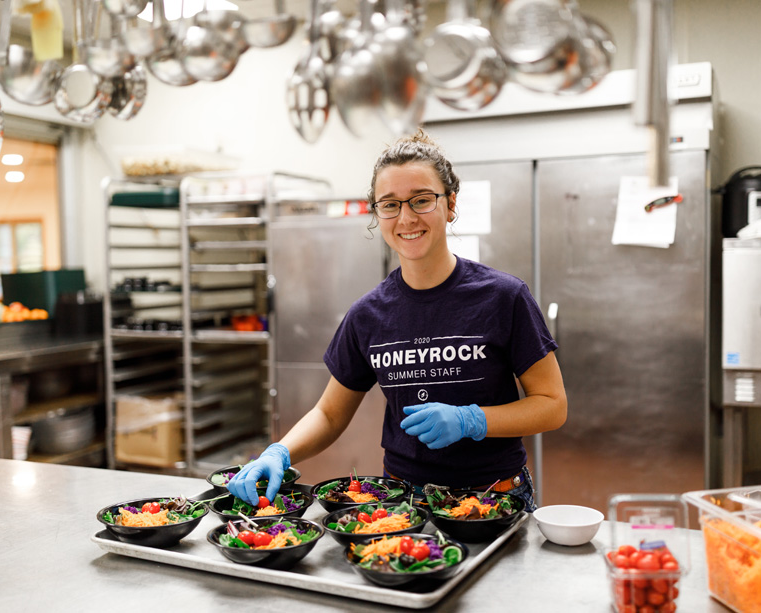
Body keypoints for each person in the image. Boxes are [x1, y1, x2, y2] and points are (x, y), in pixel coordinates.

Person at [227, 130, 567, 512]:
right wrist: (279, 452)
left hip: (495, 498)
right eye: (389, 204)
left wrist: (473, 420)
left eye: (421, 200)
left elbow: (552, 405)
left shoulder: (503, 297)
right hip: (403, 503)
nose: (406, 218)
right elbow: (329, 413)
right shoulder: (368, 314)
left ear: (450, 203)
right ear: (377, 212)